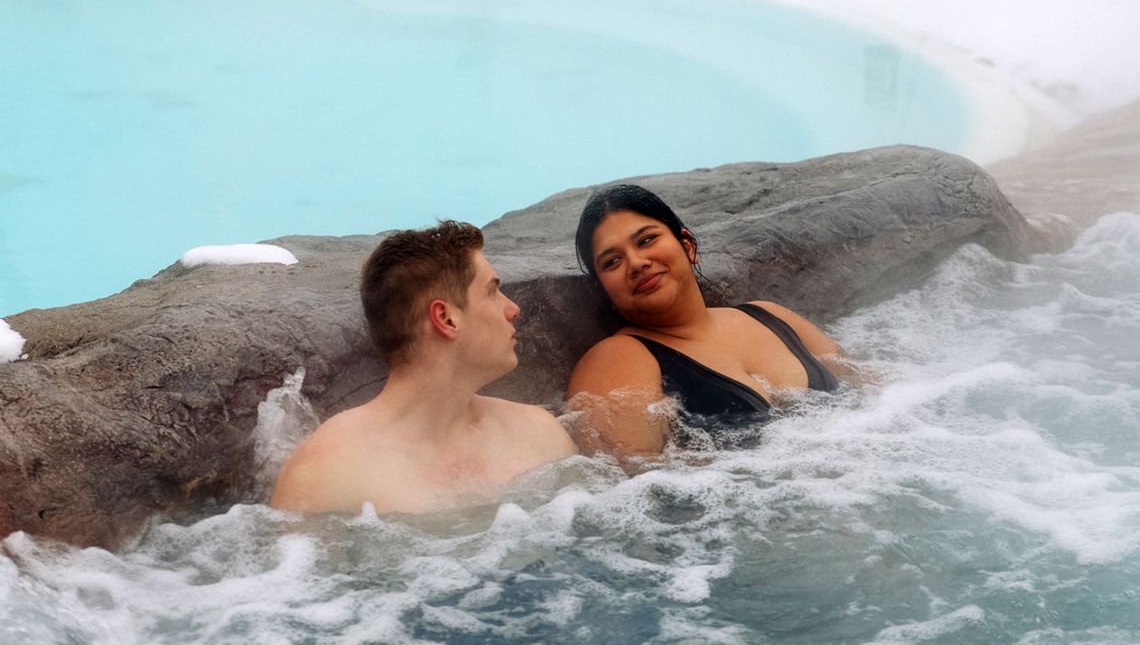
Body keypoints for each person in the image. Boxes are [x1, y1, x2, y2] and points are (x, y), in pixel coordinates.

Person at [271, 221, 576, 515]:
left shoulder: (541, 435)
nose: (513, 309)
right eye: (493, 291)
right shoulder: (327, 473)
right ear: (446, 318)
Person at [566, 185, 843, 461]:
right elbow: (626, 477)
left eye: (646, 240)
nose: (637, 263)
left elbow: (864, 392)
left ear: (687, 245)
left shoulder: (769, 316)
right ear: (603, 290)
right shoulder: (616, 359)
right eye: (613, 261)